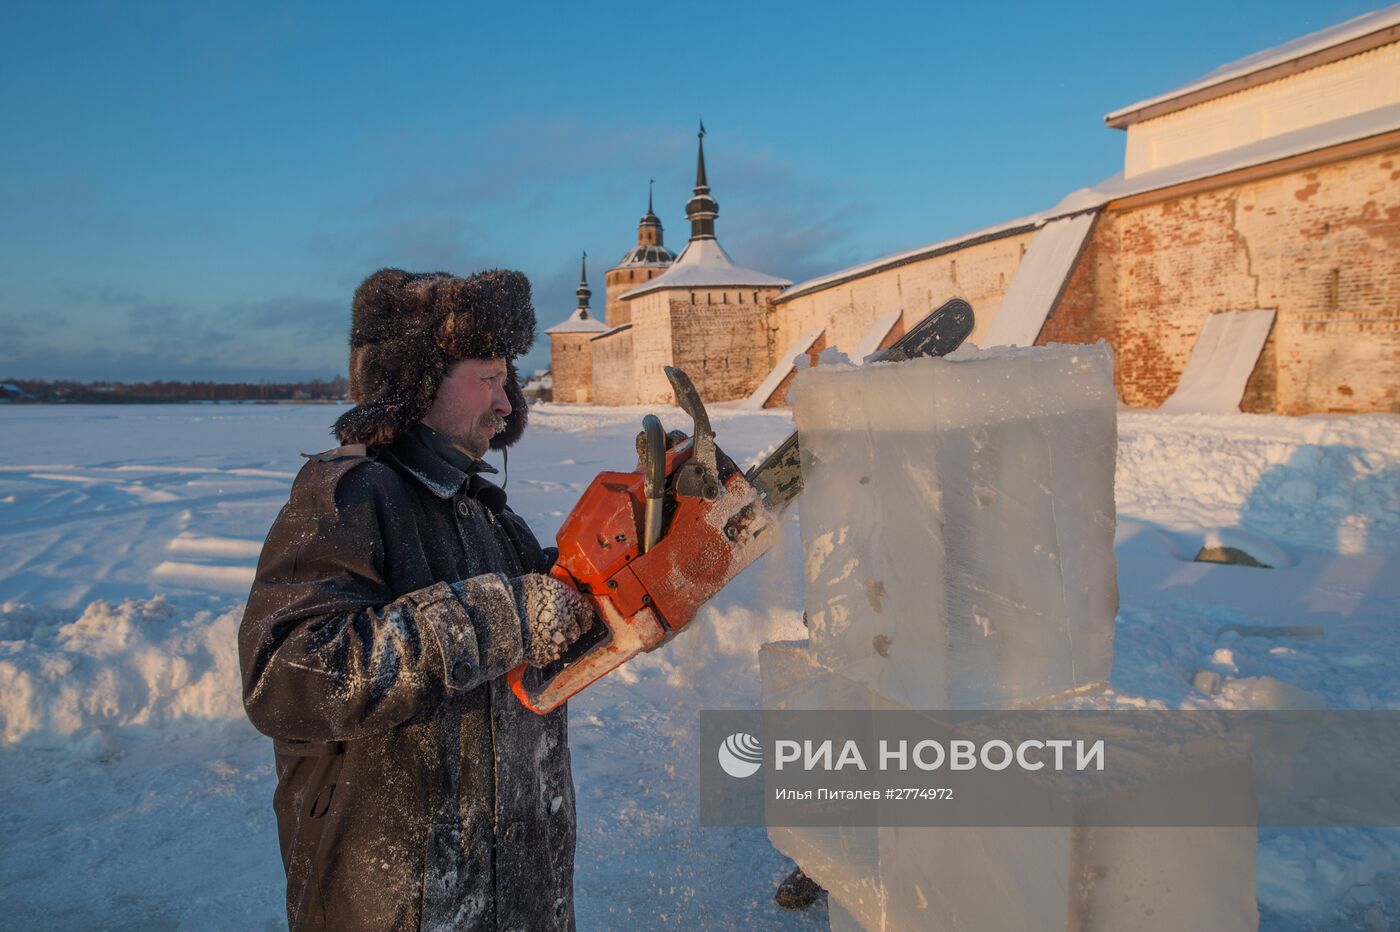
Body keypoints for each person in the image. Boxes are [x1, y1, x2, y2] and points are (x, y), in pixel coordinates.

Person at [240, 268, 594, 931]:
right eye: (488, 379)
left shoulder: (489, 515)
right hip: (402, 907)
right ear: (413, 382)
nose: (508, 404)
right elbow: (287, 676)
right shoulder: (349, 495)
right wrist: (499, 617)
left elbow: (554, 633)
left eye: (507, 380)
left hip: (520, 904)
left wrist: (644, 566)